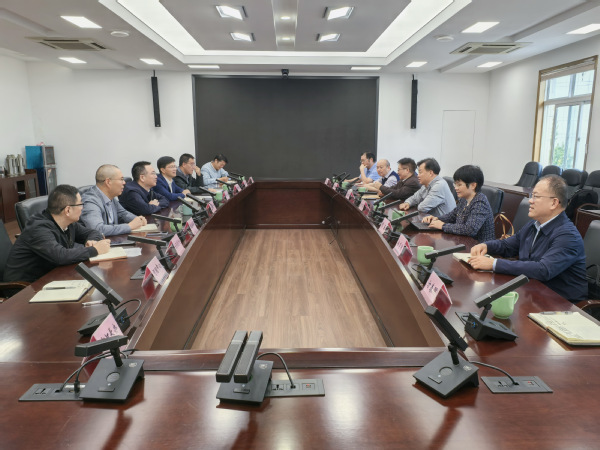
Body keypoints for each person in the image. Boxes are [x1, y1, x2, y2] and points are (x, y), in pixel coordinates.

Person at [470, 175, 587, 303]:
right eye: (532, 196)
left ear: (554, 203)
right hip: (531, 292)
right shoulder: (533, 225)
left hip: (561, 304)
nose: (530, 200)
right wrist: (486, 246)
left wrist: (494, 264)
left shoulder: (568, 236)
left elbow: (543, 270)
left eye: (536, 196)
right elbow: (507, 246)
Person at [4, 185, 110, 283]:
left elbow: (93, 232)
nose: (82, 207)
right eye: (80, 204)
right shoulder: (39, 229)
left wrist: (92, 241)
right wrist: (94, 250)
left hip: (51, 277)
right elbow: (60, 256)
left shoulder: (69, 223)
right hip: (25, 287)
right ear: (68, 210)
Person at [422, 165, 494, 242]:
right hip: (463, 241)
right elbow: (452, 216)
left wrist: (443, 226)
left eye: (459, 185)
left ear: (473, 185)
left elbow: (470, 230)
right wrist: (436, 219)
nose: (456, 188)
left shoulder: (480, 203)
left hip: (479, 245)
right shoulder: (464, 199)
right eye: (455, 184)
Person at [81, 164, 147, 236]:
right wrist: (129, 226)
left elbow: (123, 214)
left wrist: (137, 219)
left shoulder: (111, 197)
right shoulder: (90, 201)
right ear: (108, 182)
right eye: (121, 179)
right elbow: (98, 229)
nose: (124, 182)